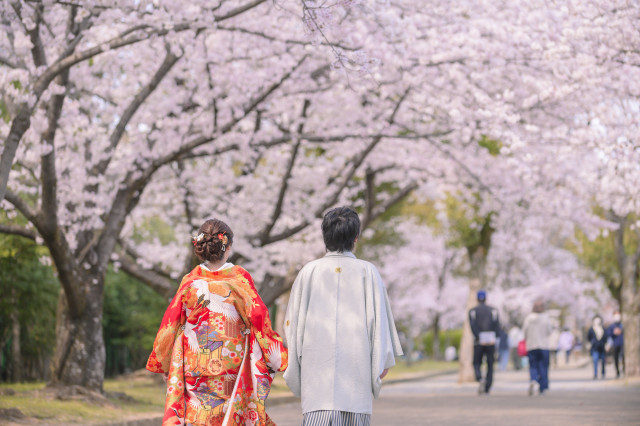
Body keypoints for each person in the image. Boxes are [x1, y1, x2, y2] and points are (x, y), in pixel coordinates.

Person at [146, 219, 288, 426]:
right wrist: (280, 357)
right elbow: (259, 319)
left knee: (197, 416)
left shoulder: (190, 281)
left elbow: (170, 324)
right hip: (231, 366)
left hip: (194, 366)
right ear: (228, 246)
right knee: (229, 415)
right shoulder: (239, 280)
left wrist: (165, 361)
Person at [284, 206, 403, 425]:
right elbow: (380, 324)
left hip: (316, 373)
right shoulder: (368, 272)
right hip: (356, 373)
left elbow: (293, 324)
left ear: (324, 237)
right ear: (355, 238)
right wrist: (381, 361)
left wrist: (296, 362)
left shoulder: (309, 272)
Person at [468, 289, 500, 395]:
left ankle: (479, 377)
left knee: (477, 362)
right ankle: (487, 386)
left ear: (477, 299)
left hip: (478, 341)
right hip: (491, 340)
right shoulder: (493, 310)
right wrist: (494, 336)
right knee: (490, 364)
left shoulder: (472, 311)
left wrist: (478, 336)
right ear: (486, 298)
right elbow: (497, 325)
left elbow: (472, 325)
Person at [523, 300, 552, 396]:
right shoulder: (546, 318)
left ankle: (533, 380)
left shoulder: (528, 318)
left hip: (531, 345)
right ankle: (543, 387)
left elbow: (525, 332)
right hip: (544, 345)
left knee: (533, 365)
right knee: (543, 366)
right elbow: (549, 331)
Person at [587, 315, 607, 379]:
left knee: (603, 361)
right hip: (595, 347)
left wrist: (607, 345)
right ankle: (595, 374)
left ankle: (603, 373)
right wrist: (589, 344)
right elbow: (588, 338)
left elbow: (606, 337)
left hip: (602, 347)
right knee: (595, 361)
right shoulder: (591, 329)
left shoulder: (603, 328)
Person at [607, 311, 625, 378]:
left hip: (622, 344)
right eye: (616, 315)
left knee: (623, 357)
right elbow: (608, 334)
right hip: (615, 344)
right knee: (616, 358)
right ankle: (617, 372)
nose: (617, 317)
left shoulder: (622, 324)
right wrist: (614, 332)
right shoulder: (612, 326)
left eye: (618, 315)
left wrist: (621, 331)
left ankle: (624, 370)